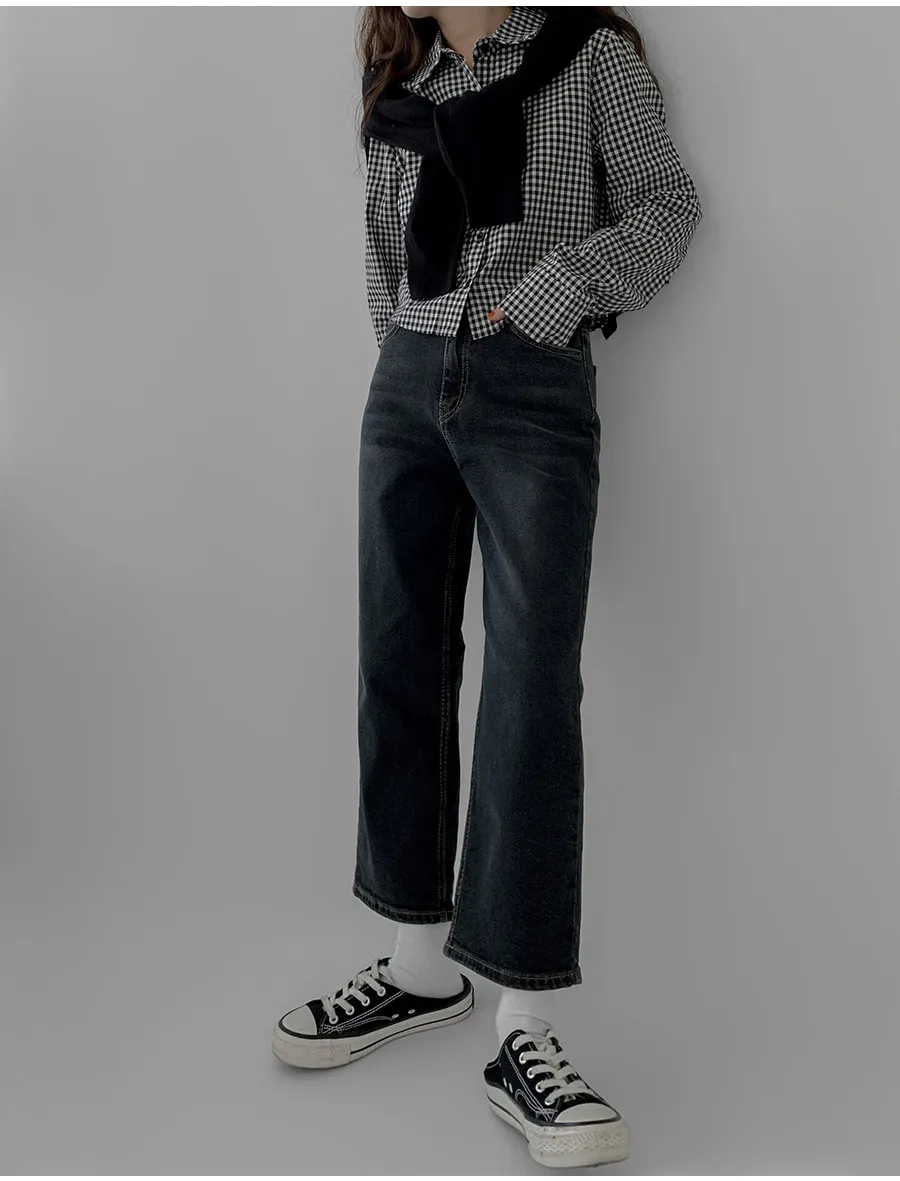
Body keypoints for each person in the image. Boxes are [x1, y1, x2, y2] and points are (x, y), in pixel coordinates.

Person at [272, 6, 701, 1168]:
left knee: (528, 682)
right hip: (409, 378)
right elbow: (383, 246)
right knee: (398, 659)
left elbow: (666, 207)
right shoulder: (399, 81)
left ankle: (524, 1024)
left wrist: (551, 294)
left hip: (530, 384)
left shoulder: (587, 56)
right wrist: (407, 350)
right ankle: (417, 966)